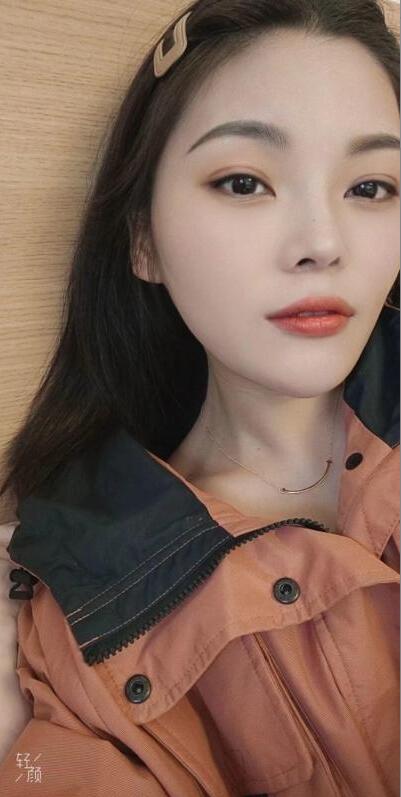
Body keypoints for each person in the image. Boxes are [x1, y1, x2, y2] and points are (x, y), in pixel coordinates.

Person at [0, 0, 399, 793]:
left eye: (371, 186)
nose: (323, 243)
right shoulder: (82, 619)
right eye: (244, 181)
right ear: (143, 239)